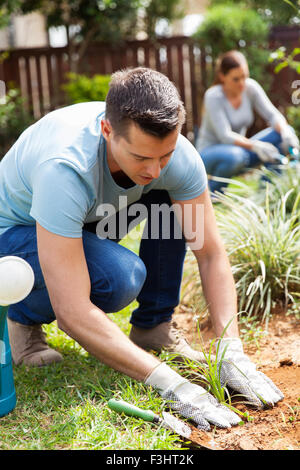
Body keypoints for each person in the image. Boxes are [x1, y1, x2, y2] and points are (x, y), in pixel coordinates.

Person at [0, 67, 283, 431]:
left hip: (87, 217)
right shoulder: (65, 168)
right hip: (13, 236)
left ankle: (154, 325)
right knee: (118, 277)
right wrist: (171, 384)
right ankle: (22, 320)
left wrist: (231, 350)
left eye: (164, 155)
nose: (153, 168)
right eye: (140, 157)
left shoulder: (177, 157)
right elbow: (73, 311)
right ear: (107, 130)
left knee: (168, 196)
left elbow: (209, 253)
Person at [195, 50, 300, 194]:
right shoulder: (213, 96)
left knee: (281, 134)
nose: (242, 83)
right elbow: (225, 136)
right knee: (236, 156)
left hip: (242, 151)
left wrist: (286, 132)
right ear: (222, 77)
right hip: (210, 153)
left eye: (244, 76)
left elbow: (272, 115)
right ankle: (212, 193)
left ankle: (267, 192)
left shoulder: (251, 88)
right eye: (236, 79)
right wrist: (256, 146)